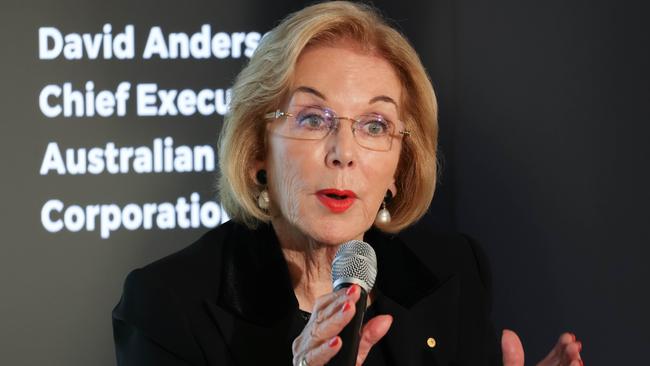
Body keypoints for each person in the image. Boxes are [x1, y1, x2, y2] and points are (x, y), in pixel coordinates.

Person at [112, 1, 583, 365]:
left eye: (375, 125)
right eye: (314, 118)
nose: (344, 152)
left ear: (400, 165)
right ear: (258, 149)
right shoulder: (166, 305)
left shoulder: (453, 273)